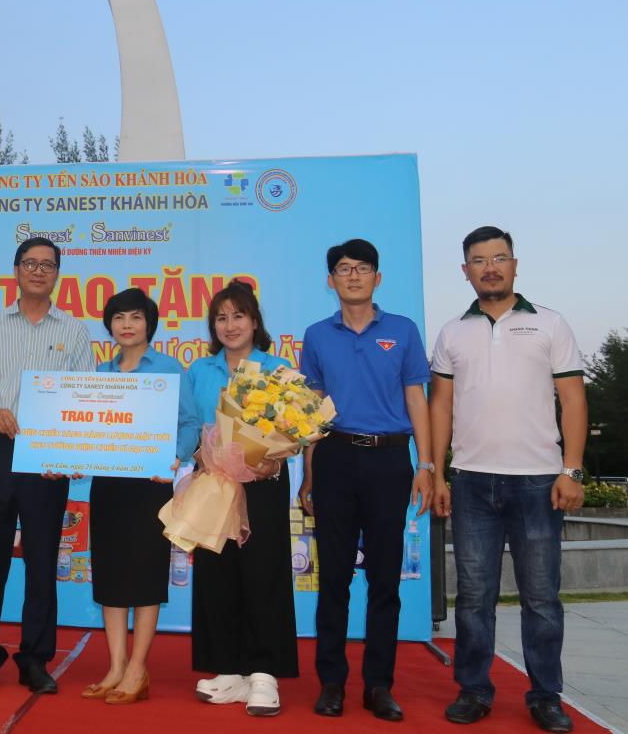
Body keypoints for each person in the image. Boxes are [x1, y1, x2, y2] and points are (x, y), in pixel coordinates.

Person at [430, 227, 586, 733]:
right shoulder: (452, 332)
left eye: (499, 258)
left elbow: (573, 400)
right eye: (479, 260)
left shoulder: (550, 323)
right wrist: (437, 473)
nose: (490, 268)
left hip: (538, 483)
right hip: (472, 482)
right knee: (473, 598)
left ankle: (545, 696)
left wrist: (571, 470)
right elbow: (441, 407)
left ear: (515, 265)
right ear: (466, 271)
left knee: (541, 598)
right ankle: (474, 690)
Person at [297, 238, 433, 722]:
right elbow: (312, 410)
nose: (352, 275)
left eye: (362, 267)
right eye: (343, 268)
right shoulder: (317, 335)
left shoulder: (402, 330)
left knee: (384, 579)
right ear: (330, 280)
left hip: (389, 461)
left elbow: (417, 400)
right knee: (333, 577)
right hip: (334, 458)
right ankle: (332, 683)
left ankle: (379, 685)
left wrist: (427, 465)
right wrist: (308, 474)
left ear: (377, 277)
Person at [0, 236, 94, 695]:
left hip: (47, 458)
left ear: (57, 274)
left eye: (47, 265)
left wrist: (71, 453)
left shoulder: (75, 331)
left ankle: (35, 659)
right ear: (16, 270)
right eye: (30, 263)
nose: (38, 271)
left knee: (41, 562)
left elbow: (83, 399)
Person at [178, 280, 298, 717]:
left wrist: (272, 459)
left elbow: (295, 429)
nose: (230, 325)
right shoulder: (199, 371)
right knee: (217, 573)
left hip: (262, 482)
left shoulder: (277, 368)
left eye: (239, 316)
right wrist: (196, 455)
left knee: (263, 574)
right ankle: (228, 668)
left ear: (255, 321)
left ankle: (264, 674)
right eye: (222, 318)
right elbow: (189, 426)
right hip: (214, 482)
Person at [80, 288, 183, 705]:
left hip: (151, 487)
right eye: (119, 317)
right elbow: (85, 430)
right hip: (109, 485)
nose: (127, 325)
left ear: (149, 324)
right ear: (109, 325)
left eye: (136, 317)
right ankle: (116, 666)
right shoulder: (99, 374)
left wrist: (176, 456)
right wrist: (72, 454)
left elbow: (189, 423)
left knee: (144, 574)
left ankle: (138, 668)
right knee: (110, 574)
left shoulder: (169, 369)